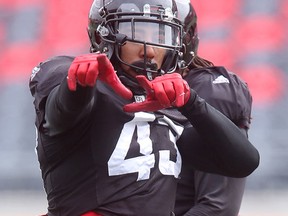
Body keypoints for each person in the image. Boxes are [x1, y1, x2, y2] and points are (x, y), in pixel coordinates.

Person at [29, 0, 259, 215]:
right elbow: (61, 115)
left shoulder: (168, 112)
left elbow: (243, 163)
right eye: (134, 33)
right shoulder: (81, 83)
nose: (149, 49)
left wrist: (192, 103)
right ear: (104, 36)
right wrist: (77, 86)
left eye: (160, 34)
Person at [174, 1, 252, 215]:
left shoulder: (208, 91)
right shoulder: (108, 92)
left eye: (158, 35)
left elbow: (217, 208)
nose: (145, 47)